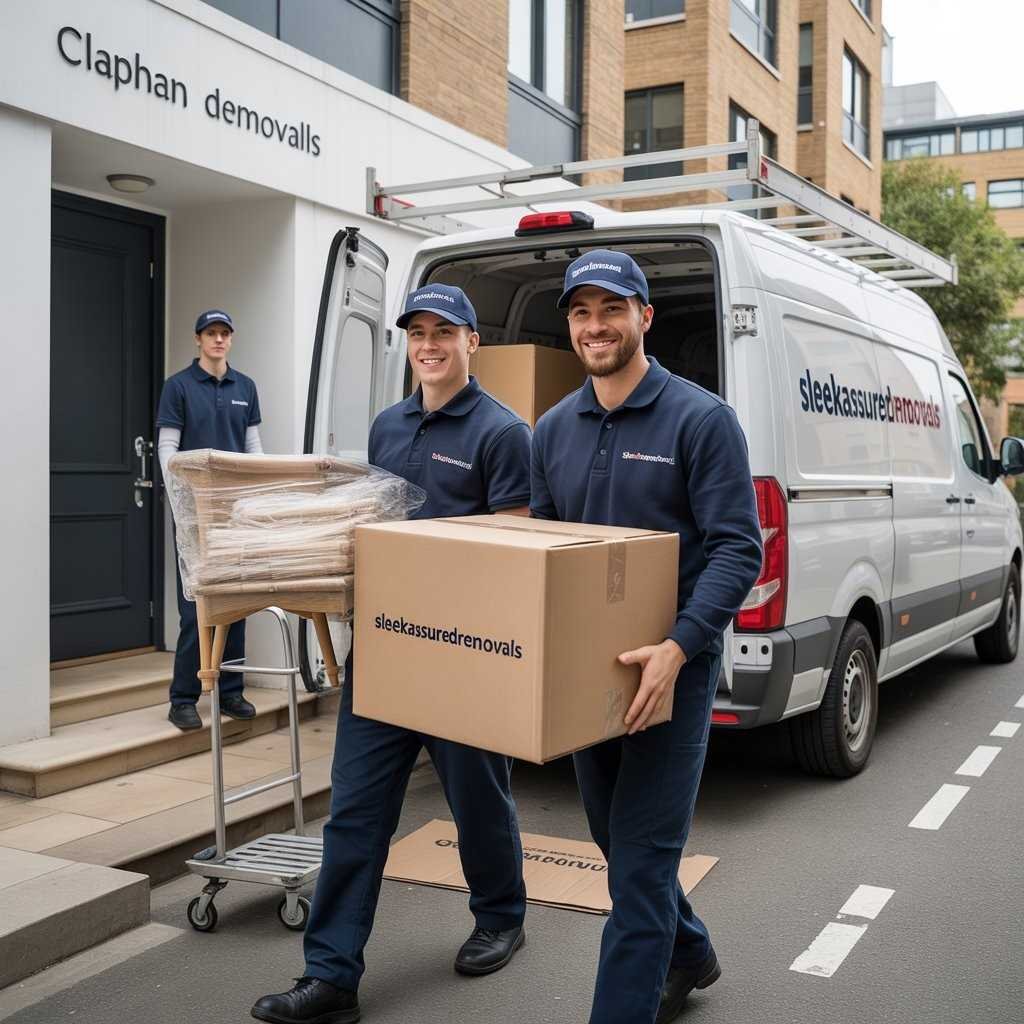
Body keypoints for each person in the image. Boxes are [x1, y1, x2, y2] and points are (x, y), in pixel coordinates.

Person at [252, 284, 530, 1024]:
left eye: (445, 330)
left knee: (478, 800)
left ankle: (502, 913)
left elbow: (519, 544)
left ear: (473, 341)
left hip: (465, 653)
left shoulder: (504, 433)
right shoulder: (387, 426)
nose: (430, 344)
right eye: (418, 332)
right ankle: (330, 976)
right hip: (386, 647)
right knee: (355, 812)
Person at [530, 250, 763, 1024]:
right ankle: (690, 952)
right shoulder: (554, 429)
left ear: (644, 318)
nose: (595, 326)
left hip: (673, 673)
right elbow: (544, 548)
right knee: (616, 843)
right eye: (581, 312)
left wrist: (678, 647)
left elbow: (738, 548)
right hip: (590, 673)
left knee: (641, 863)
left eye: (611, 309)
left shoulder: (701, 419)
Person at [156, 309, 264, 731]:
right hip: (194, 513)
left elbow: (253, 447)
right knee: (195, 606)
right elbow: (168, 447)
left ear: (231, 340)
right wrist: (180, 498)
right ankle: (183, 698)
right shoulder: (178, 387)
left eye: (224, 333)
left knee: (236, 600)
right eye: (210, 333)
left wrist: (257, 496)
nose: (218, 340)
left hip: (236, 512)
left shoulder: (246, 387)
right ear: (198, 340)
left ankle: (231, 692)